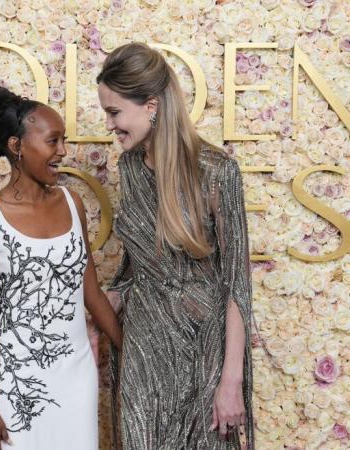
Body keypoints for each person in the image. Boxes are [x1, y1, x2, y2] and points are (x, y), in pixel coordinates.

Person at [97, 43, 255, 449]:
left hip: (203, 351)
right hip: (144, 352)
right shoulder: (129, 168)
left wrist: (230, 380)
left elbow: (237, 284)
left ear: (151, 105)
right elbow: (140, 263)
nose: (110, 125)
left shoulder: (217, 171)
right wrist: (102, 306)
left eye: (114, 112)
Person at [0, 83, 122, 450]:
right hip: (14, 384)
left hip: (76, 380)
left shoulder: (72, 203)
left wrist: (130, 349)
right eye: (52, 141)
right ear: (17, 147)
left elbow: (91, 292)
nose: (62, 151)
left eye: (63, 140)